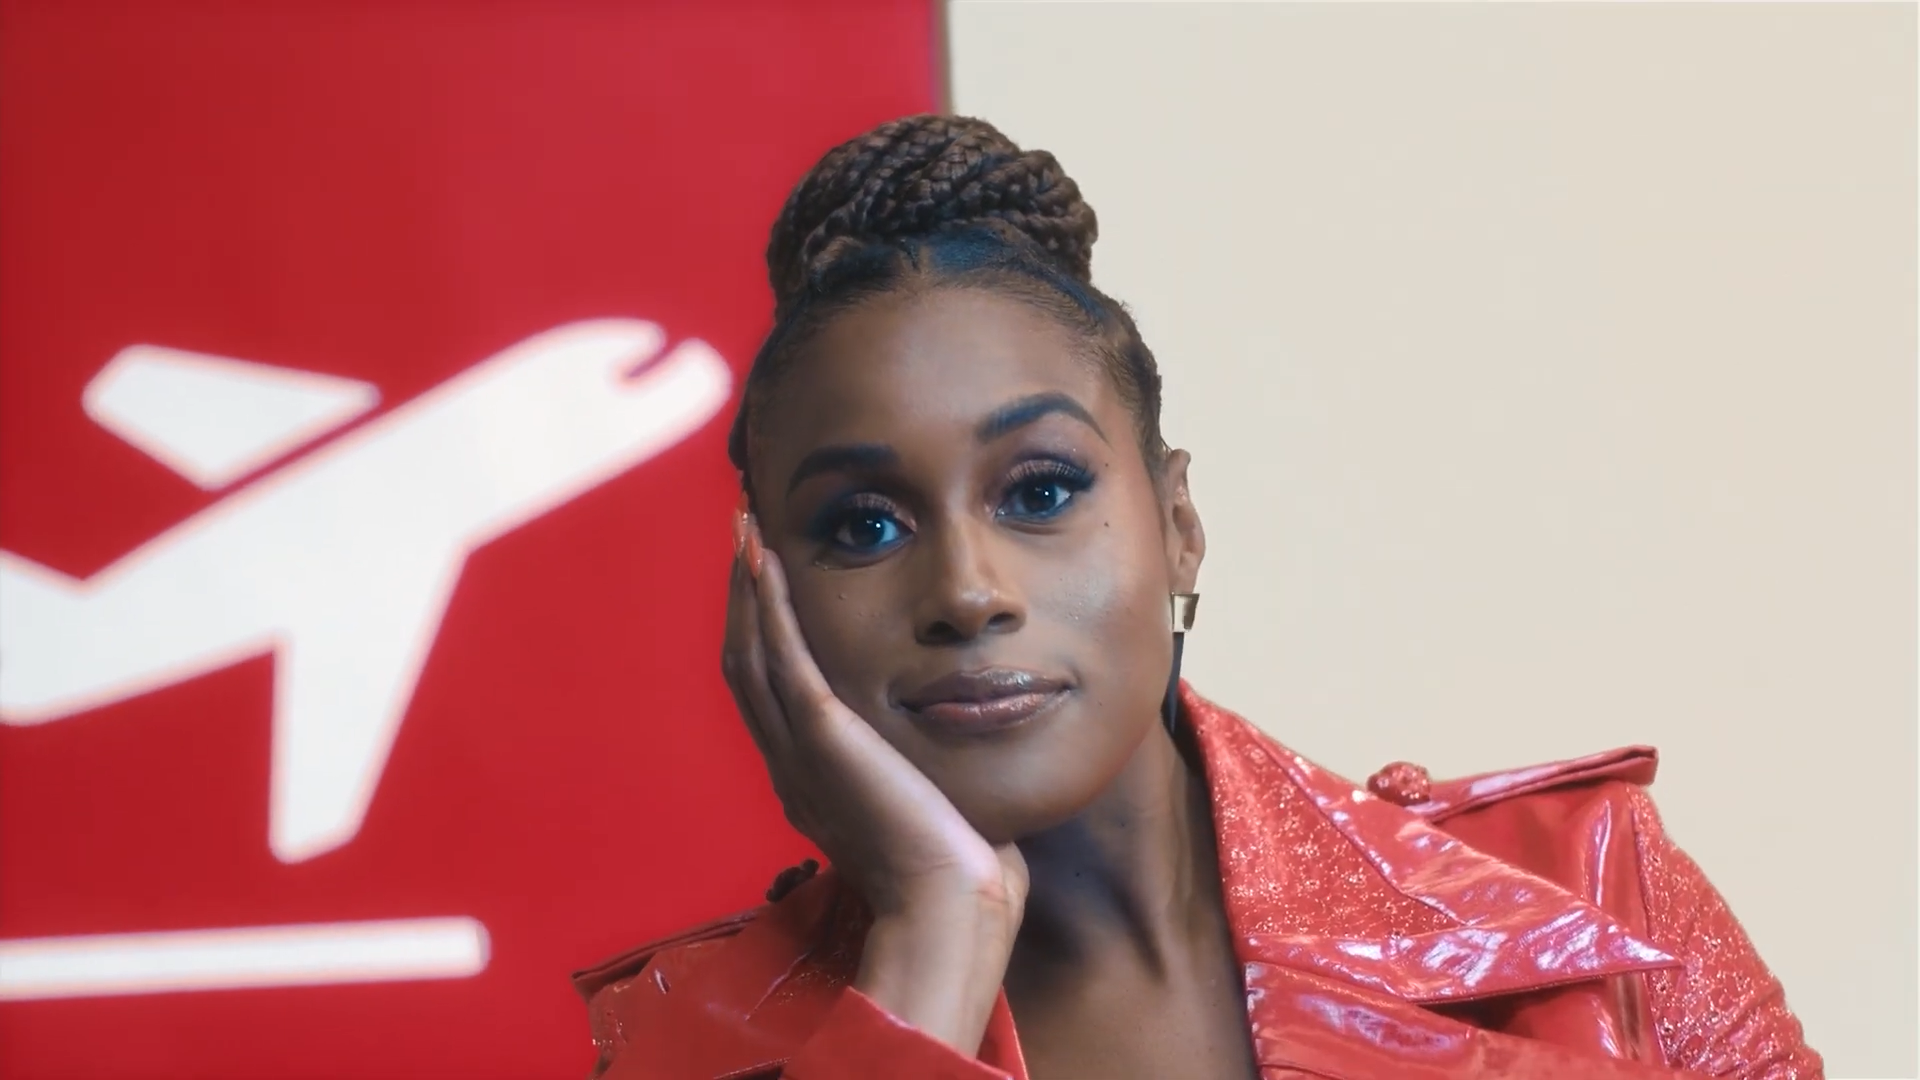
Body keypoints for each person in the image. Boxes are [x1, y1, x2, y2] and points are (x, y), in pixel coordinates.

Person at [572, 115, 1822, 1080]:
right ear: (766, 598)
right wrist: (934, 940)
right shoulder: (689, 1046)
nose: (965, 590)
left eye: (1041, 491)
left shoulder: (1592, 896)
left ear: (1176, 524)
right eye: (866, 525)